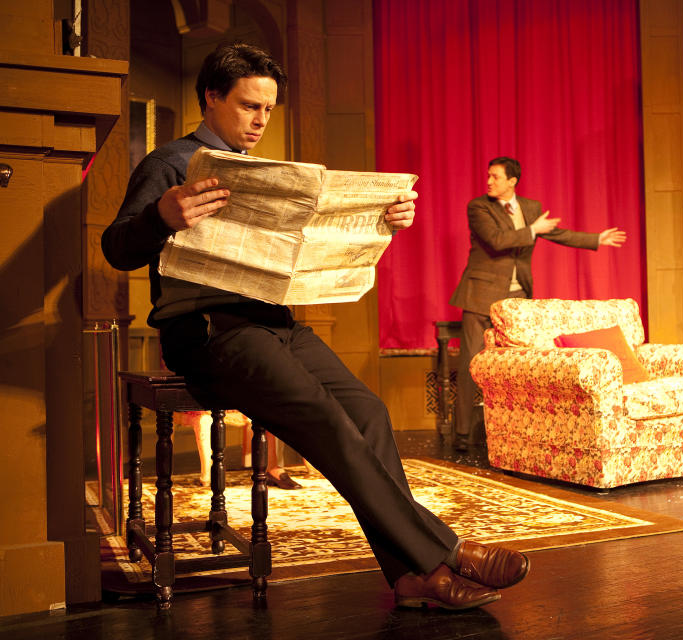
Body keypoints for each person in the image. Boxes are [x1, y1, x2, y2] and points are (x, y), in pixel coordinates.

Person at [101, 42, 528, 610]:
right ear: (211, 97)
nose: (260, 121)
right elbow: (115, 248)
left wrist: (380, 223)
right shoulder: (171, 163)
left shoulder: (261, 171)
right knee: (326, 419)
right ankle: (444, 552)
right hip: (210, 330)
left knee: (369, 411)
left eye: (269, 110)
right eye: (250, 106)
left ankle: (408, 577)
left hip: (276, 322)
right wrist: (162, 216)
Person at [449, 156, 627, 451]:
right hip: (480, 294)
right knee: (472, 361)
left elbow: (558, 234)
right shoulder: (479, 207)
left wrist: (596, 239)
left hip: (517, 300)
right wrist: (534, 230)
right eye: (489, 176)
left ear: (512, 181)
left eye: (495, 176)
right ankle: (463, 435)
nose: (489, 181)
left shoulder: (530, 208)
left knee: (517, 366)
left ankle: (513, 430)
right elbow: (496, 239)